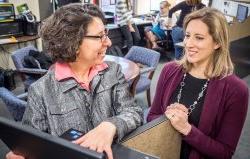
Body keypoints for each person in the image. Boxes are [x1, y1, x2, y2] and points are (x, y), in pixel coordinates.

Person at [6, 3, 143, 159]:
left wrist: (112, 125)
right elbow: (33, 142)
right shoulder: (41, 91)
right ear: (73, 41)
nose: (109, 42)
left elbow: (134, 113)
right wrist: (25, 153)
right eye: (100, 36)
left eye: (106, 33)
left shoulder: (113, 71)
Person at [147, 7, 249, 159]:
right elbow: (152, 116)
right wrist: (167, 118)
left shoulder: (236, 90)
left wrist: (187, 129)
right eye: (187, 35)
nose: (188, 44)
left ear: (217, 43)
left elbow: (225, 152)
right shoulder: (169, 70)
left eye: (199, 38)